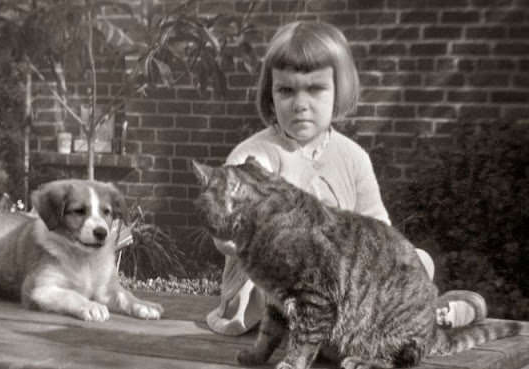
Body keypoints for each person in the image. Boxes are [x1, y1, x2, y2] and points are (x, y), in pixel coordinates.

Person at [206, 21, 486, 336]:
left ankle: (406, 313)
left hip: (338, 283)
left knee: (418, 260)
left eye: (315, 89)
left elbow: (379, 230)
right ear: (270, 95)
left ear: (339, 91)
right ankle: (423, 318)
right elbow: (224, 230)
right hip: (269, 290)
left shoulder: (352, 157)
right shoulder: (254, 157)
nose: (300, 104)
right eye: (286, 90)